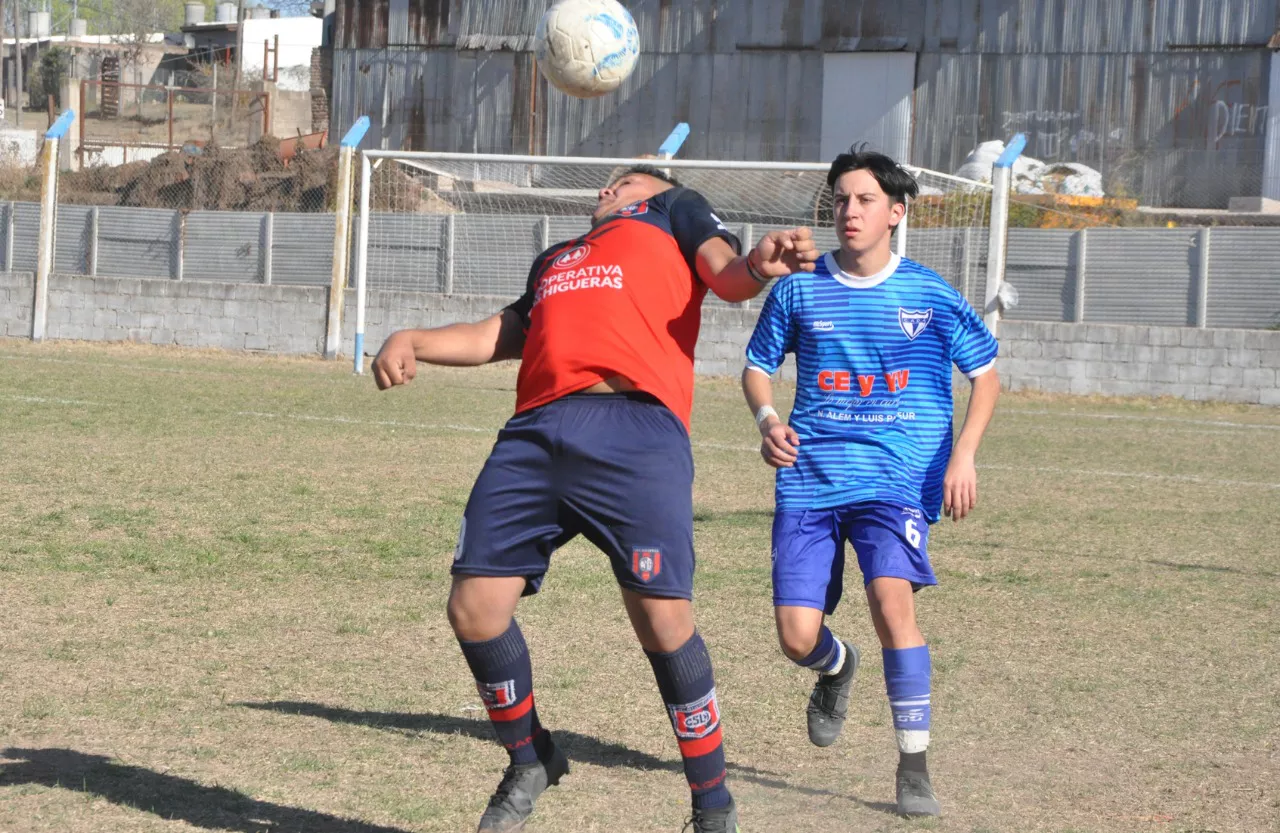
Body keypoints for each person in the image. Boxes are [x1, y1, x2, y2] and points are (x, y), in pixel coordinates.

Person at [372, 164, 818, 833]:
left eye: (624, 182)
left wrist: (759, 263)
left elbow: (727, 276)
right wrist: (413, 339)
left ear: (652, 190)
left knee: (663, 622)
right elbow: (504, 334)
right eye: (606, 183)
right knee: (473, 608)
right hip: (537, 432)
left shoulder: (674, 211)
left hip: (636, 432)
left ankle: (713, 802)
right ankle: (530, 758)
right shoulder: (556, 257)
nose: (607, 188)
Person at [740, 147, 1000, 818]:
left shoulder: (927, 293)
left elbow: (987, 373)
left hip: (896, 478)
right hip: (810, 480)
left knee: (892, 604)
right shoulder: (798, 288)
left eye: (862, 200)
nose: (848, 211)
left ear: (895, 212)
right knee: (796, 635)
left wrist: (964, 455)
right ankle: (835, 666)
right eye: (840, 200)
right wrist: (768, 419)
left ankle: (913, 764)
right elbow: (757, 368)